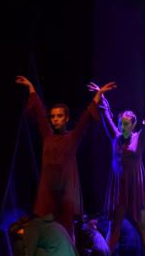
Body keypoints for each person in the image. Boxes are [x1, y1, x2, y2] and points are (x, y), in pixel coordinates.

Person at [15, 76, 116, 236]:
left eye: (59, 116)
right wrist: (31, 88)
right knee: (47, 233)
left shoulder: (72, 137)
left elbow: (86, 117)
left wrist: (99, 94)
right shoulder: (47, 135)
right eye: (53, 117)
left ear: (67, 118)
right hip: (48, 193)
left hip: (66, 194)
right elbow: (39, 113)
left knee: (67, 233)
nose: (55, 119)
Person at [92, 81, 145, 256]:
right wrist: (101, 94)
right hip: (119, 187)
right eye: (120, 123)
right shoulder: (115, 136)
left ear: (133, 125)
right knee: (114, 227)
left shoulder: (139, 138)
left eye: (126, 123)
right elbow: (105, 114)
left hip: (136, 185)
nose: (122, 126)